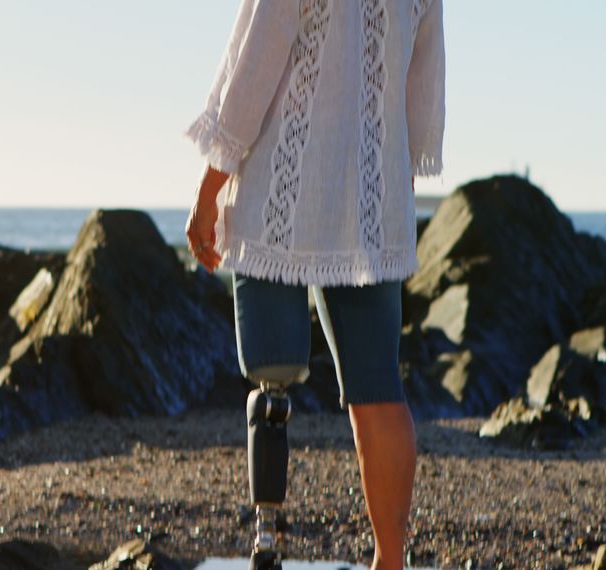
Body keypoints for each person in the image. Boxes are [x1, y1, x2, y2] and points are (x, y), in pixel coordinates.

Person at [183, 1, 445, 569]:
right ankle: (390, 559)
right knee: (378, 390)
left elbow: (254, 66)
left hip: (285, 190)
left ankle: (267, 542)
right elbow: (423, 85)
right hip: (372, 204)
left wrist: (208, 191)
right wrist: (395, 175)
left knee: (271, 382)